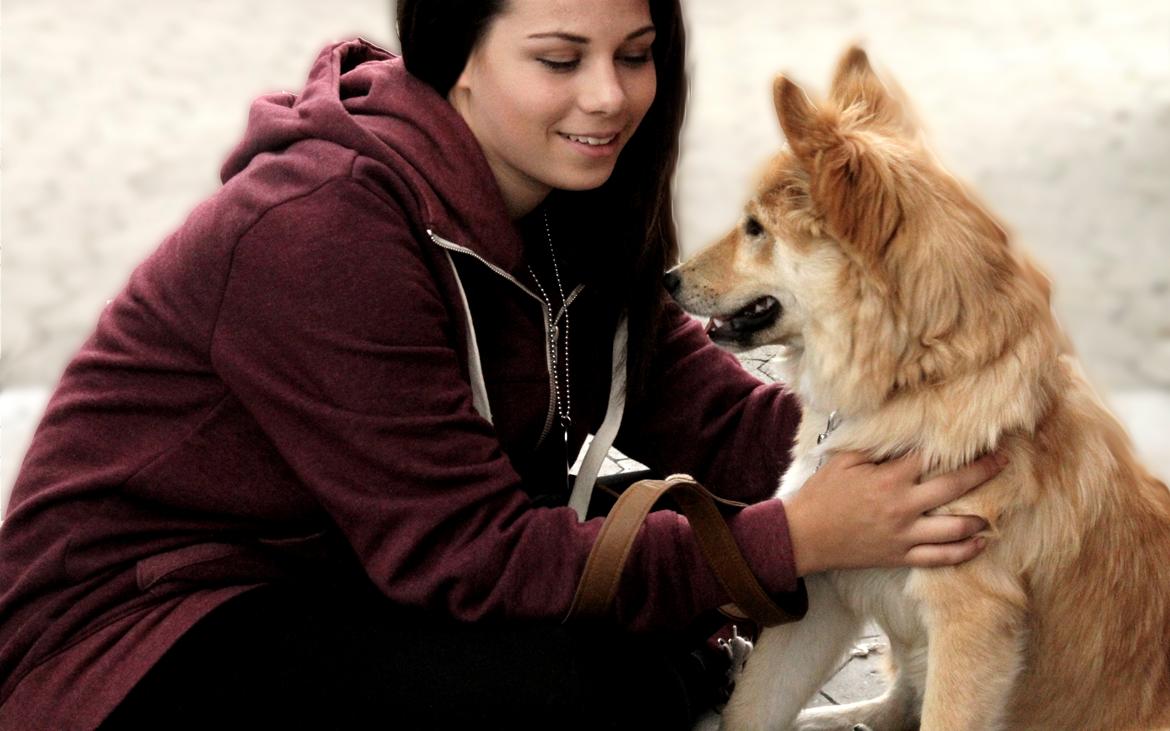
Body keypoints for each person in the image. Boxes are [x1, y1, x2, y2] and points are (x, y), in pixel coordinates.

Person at [0, 1, 1001, 729]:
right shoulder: (317, 227)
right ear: (457, 56)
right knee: (578, 690)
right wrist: (793, 537)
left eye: (638, 53)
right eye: (560, 59)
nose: (610, 96)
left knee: (636, 626)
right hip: (144, 627)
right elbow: (468, 554)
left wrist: (925, 436)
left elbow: (705, 415)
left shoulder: (571, 197)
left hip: (353, 565)